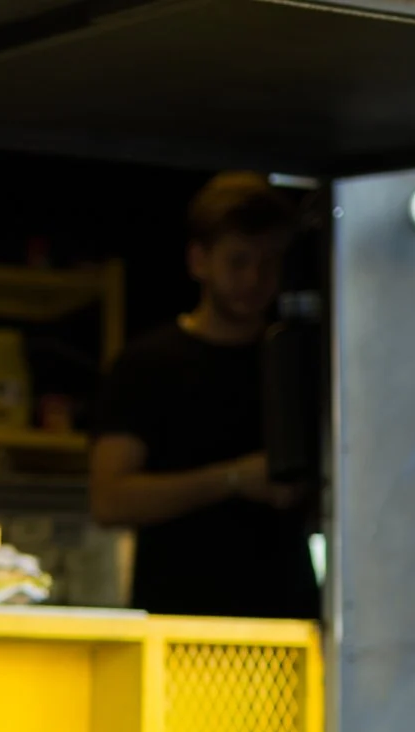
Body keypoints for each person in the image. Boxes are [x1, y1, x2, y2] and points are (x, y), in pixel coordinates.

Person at [90, 171, 319, 619]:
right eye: (238, 261)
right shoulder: (146, 364)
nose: (254, 278)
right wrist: (233, 479)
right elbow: (109, 500)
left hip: (287, 618)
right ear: (199, 261)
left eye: (269, 262)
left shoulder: (300, 362)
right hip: (180, 617)